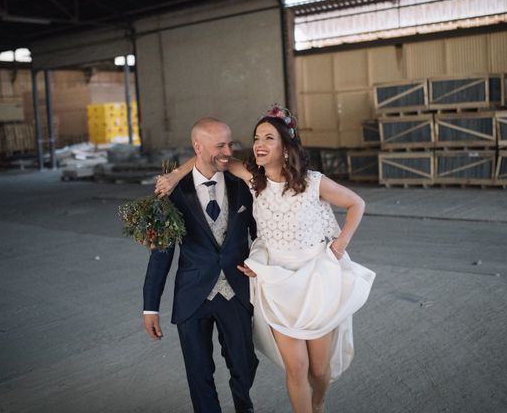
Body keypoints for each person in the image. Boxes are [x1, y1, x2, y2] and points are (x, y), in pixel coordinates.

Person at [157, 106, 375, 413]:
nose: (258, 143)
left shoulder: (313, 182)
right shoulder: (253, 180)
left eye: (268, 138)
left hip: (315, 282)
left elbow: (357, 203)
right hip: (278, 285)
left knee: (318, 370)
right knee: (296, 368)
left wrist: (339, 246)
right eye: (256, 137)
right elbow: (212, 157)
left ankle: (319, 400)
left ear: (285, 147)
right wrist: (177, 173)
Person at [143, 117, 259, 413]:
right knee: (199, 374)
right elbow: (161, 253)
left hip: (236, 291)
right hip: (192, 295)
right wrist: (150, 306)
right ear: (198, 146)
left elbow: (261, 234)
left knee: (244, 366)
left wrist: (262, 263)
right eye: (219, 145)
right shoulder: (174, 192)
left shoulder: (242, 184)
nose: (227, 151)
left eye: (230, 143)